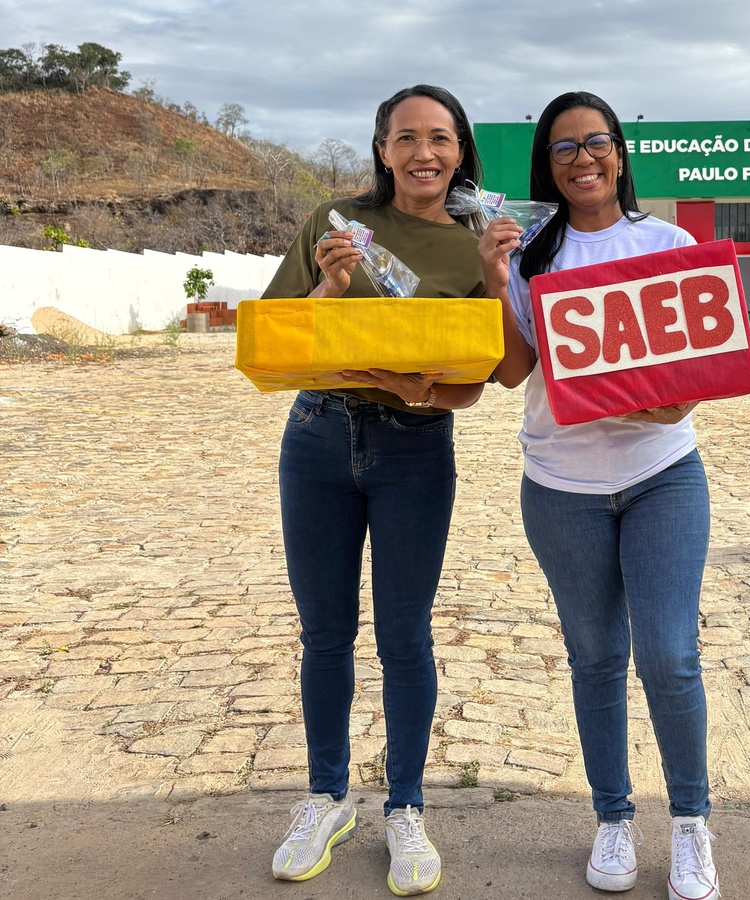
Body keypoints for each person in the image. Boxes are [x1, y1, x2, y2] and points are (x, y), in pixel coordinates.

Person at [477, 91, 720, 900]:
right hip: (560, 486)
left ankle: (691, 825)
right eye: (563, 149)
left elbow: (687, 386)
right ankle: (613, 820)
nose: (582, 159)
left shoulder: (667, 242)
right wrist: (494, 276)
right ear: (546, 166)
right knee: (595, 659)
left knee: (670, 656)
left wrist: (652, 403)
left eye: (596, 143)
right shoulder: (531, 255)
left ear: (620, 154)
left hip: (661, 477)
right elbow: (512, 372)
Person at [262, 84, 489, 896]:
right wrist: (325, 289)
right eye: (405, 138)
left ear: (460, 149)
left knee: (405, 637)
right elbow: (278, 341)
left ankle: (405, 806)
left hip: (416, 449)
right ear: (382, 149)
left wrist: (412, 387)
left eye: (439, 137)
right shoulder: (331, 223)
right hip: (316, 437)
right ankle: (325, 798)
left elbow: (476, 383)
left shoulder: (475, 251)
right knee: (324, 634)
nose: (423, 152)